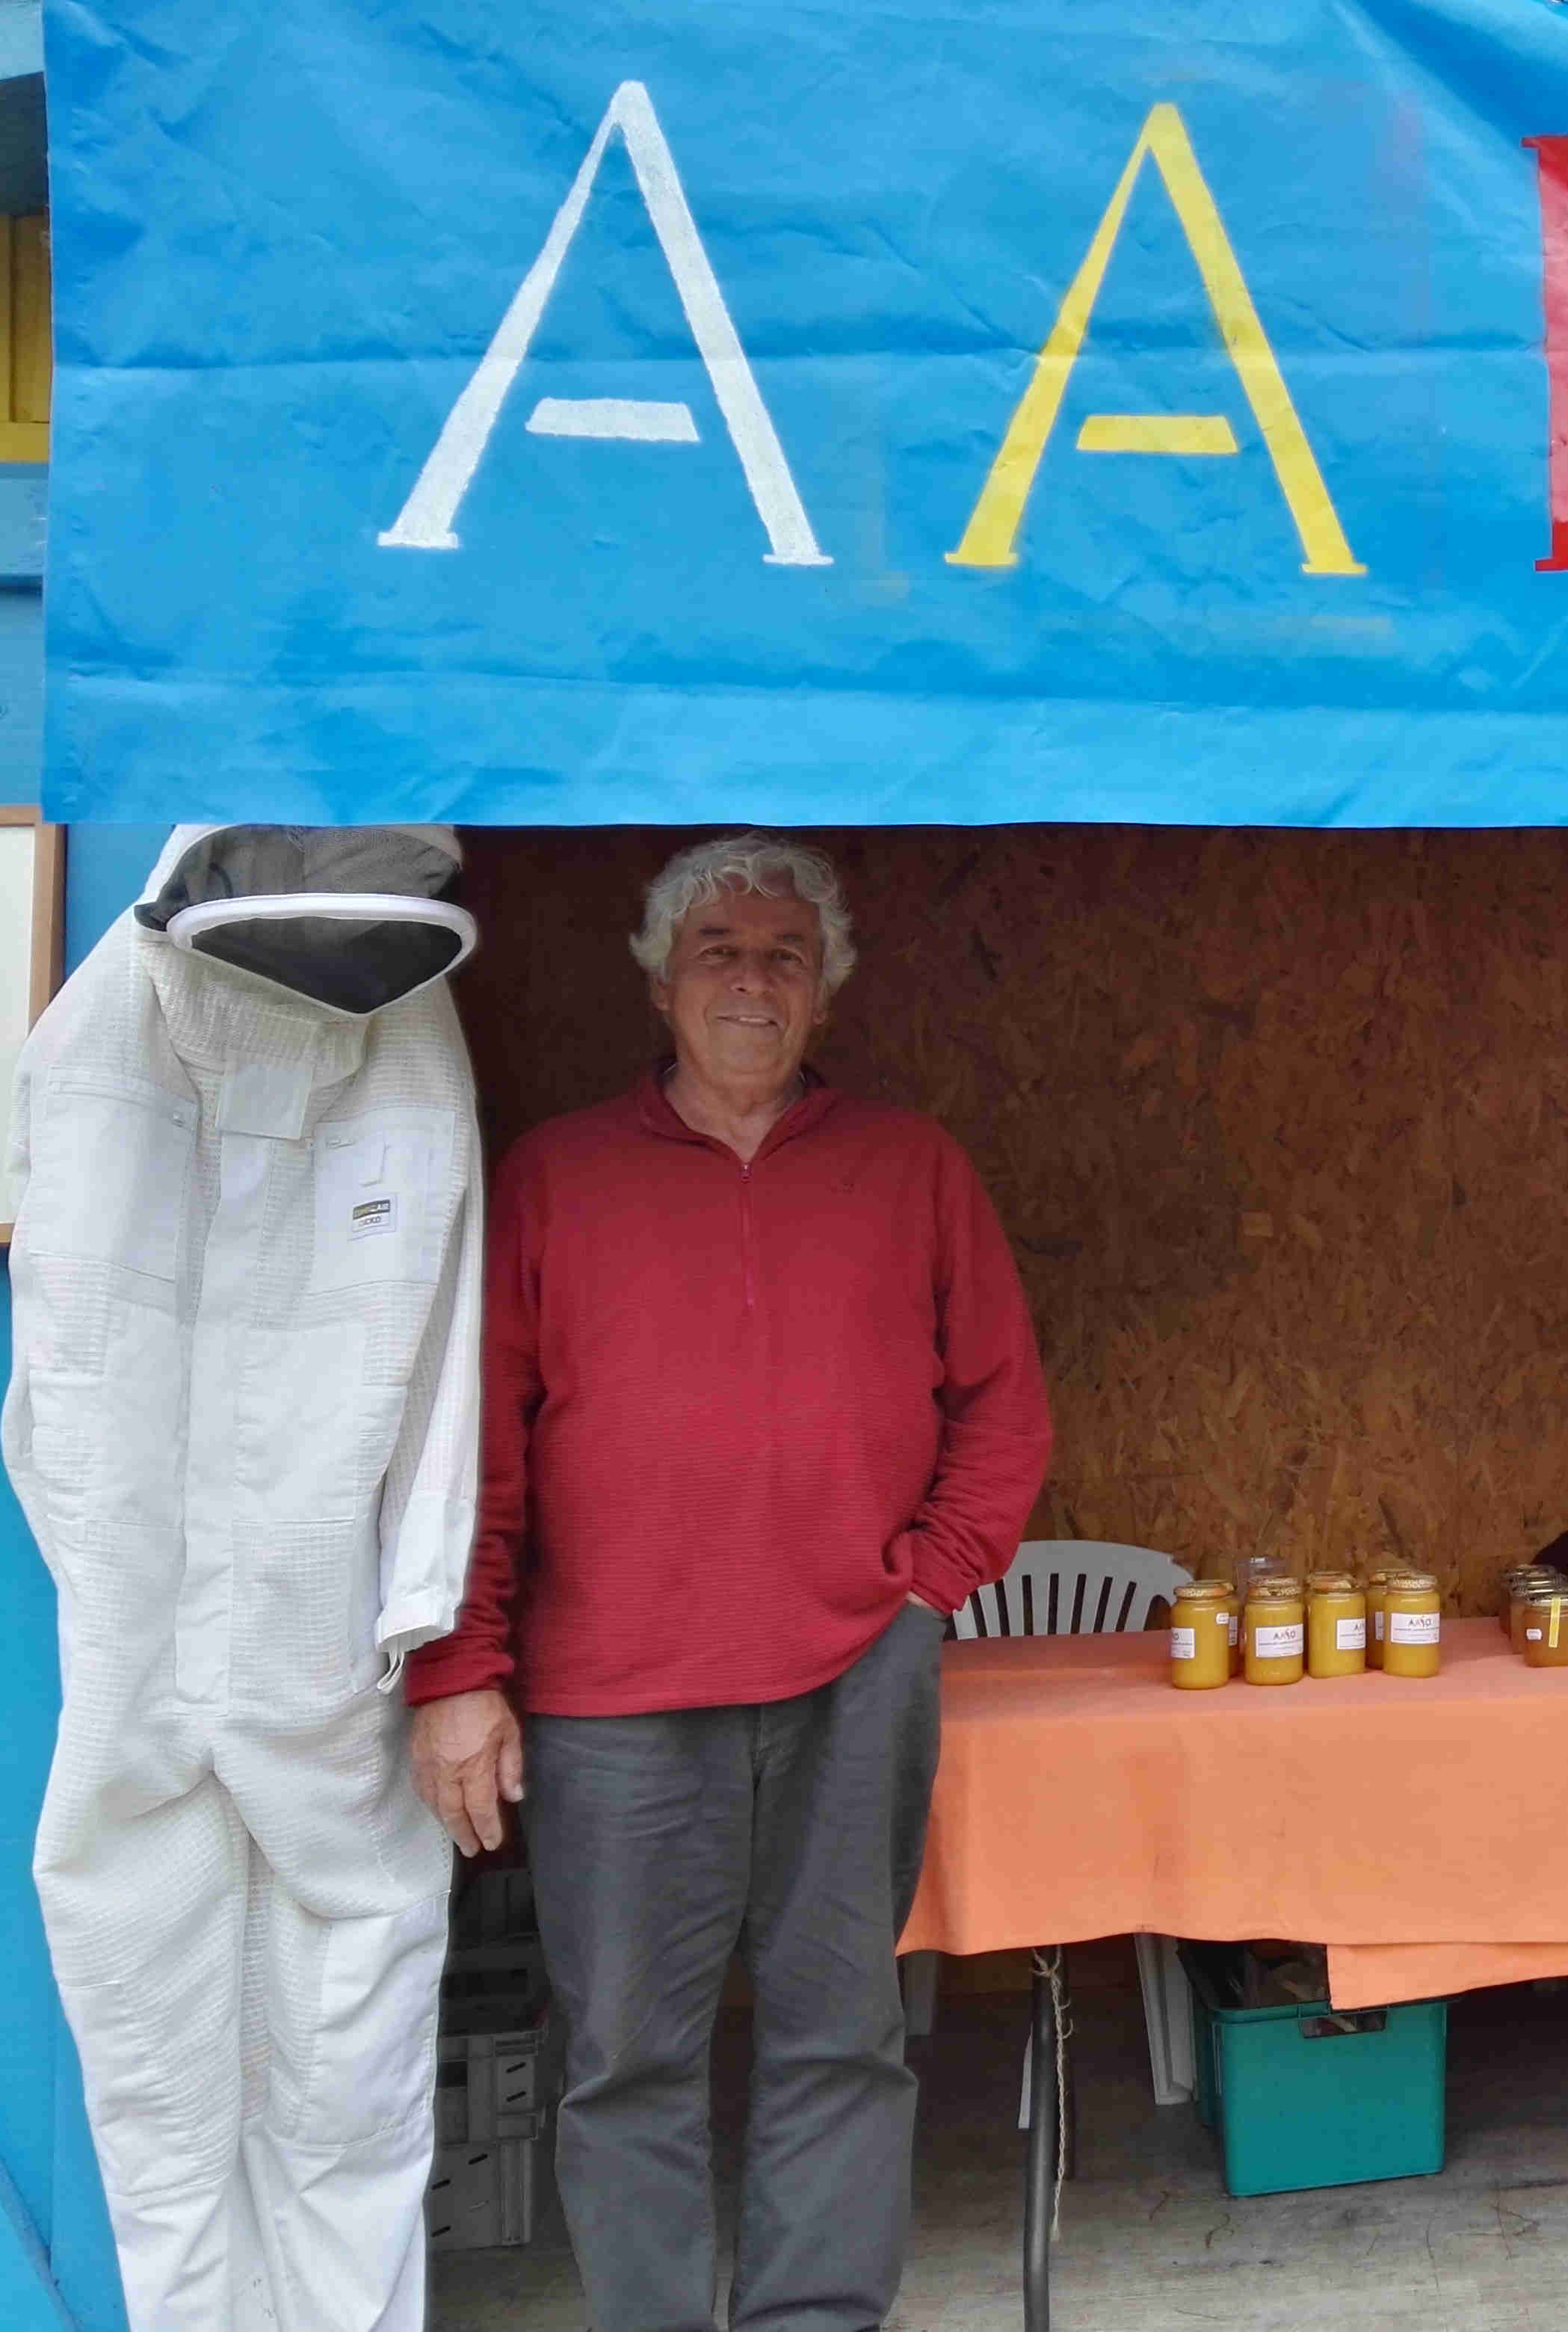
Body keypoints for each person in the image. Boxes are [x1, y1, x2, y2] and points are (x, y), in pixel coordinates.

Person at [404, 833, 1051, 2332]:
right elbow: (474, 1456)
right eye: (717, 952)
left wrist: (926, 1590)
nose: (750, 980)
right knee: (627, 2055)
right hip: (612, 1695)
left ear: (824, 994)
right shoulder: (557, 1177)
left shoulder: (913, 1167)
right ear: (657, 984)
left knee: (842, 2033)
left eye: (782, 955)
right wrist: (459, 1670)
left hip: (853, 1674)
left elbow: (1004, 1410)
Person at [10, 824, 483, 2332]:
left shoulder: (417, 1052)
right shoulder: (99, 1039)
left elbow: (446, 1343)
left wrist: (415, 1589)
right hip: (142, 1625)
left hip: (318, 1626)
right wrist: (97, 1535)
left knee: (352, 2063)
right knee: (153, 2061)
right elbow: (61, 1344)